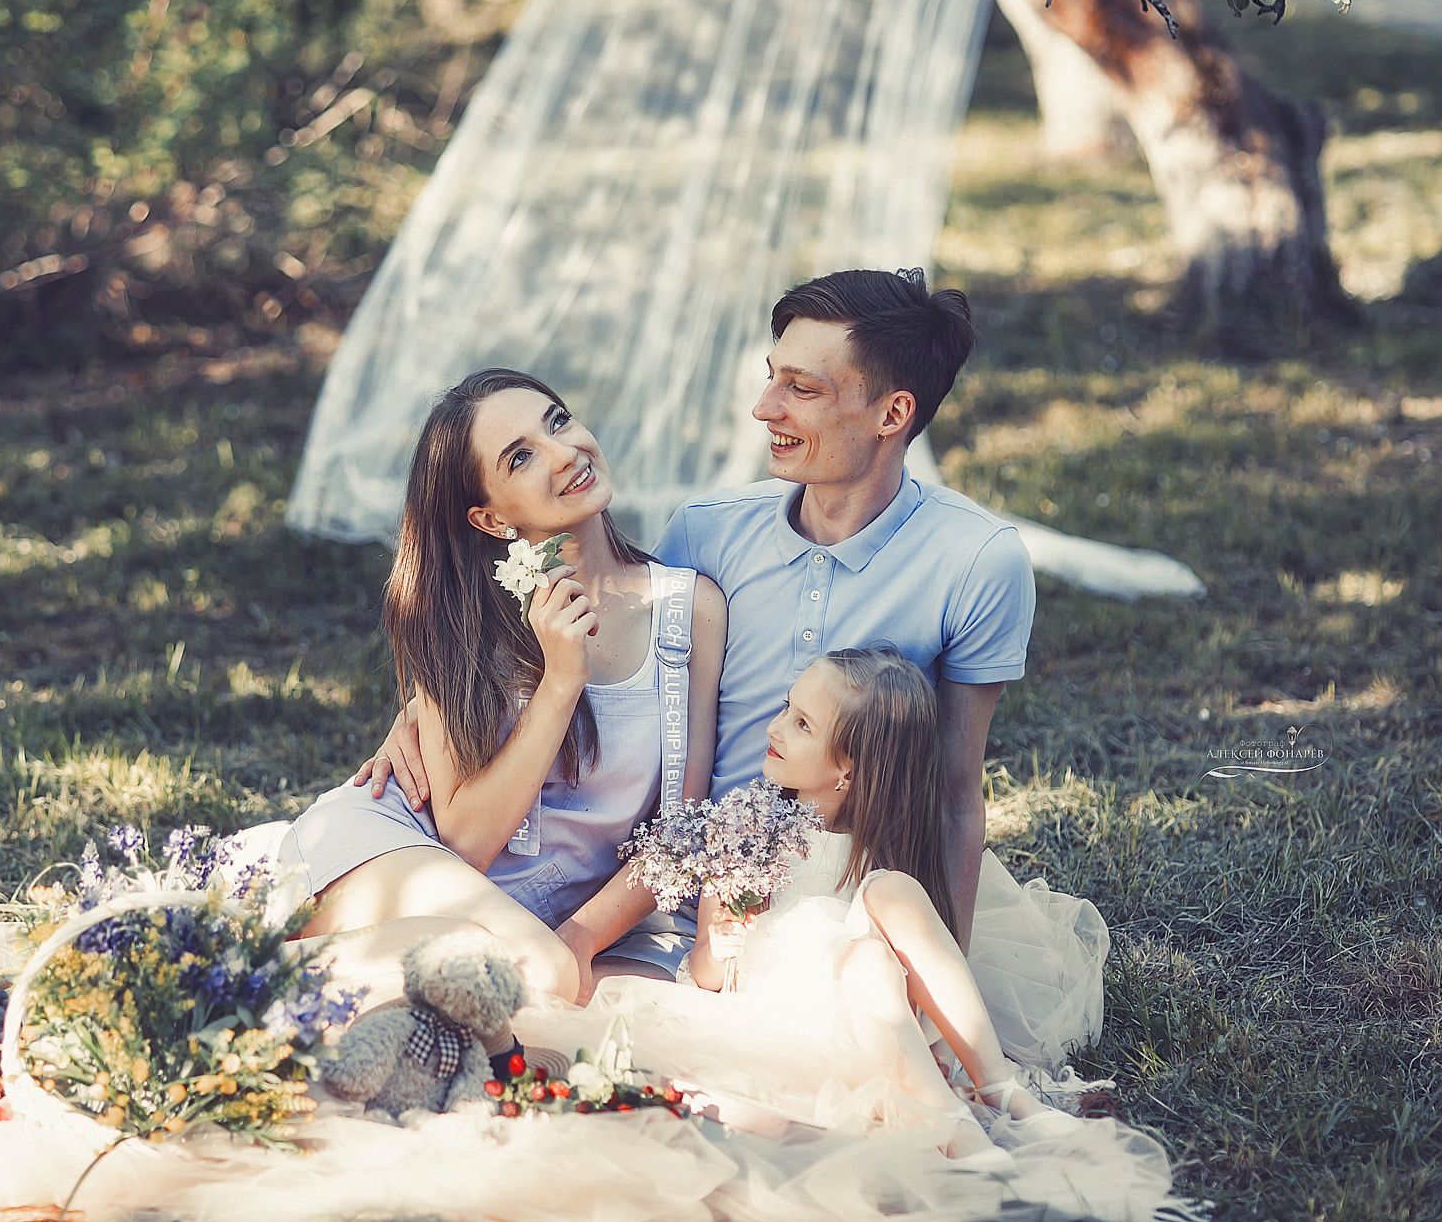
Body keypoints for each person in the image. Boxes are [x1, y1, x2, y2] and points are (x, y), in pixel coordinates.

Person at [358, 268, 1033, 951]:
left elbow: (953, 795)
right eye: (773, 377)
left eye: (801, 388)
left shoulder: (978, 561)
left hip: (845, 890)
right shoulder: (708, 531)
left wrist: (945, 974)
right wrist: (422, 709)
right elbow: (632, 647)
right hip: (689, 895)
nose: (765, 408)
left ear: (893, 414)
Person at [278, 368, 727, 1007]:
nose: (565, 453)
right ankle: (248, 968)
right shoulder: (458, 616)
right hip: (412, 859)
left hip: (549, 928)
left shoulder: (691, 612)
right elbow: (465, 842)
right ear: (489, 519)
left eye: (558, 421)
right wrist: (560, 681)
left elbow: (680, 833)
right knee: (543, 976)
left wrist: (578, 938)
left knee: (585, 991)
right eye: (521, 457)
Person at [686, 647, 1073, 1159]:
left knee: (884, 917)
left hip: (873, 1020)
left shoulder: (880, 858)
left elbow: (910, 970)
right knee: (872, 936)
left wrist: (928, 1032)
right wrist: (719, 945)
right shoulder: (744, 836)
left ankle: (997, 1094)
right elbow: (704, 975)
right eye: (786, 708)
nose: (774, 728)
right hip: (785, 1021)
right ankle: (959, 1129)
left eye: (802, 724)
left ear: (847, 768)